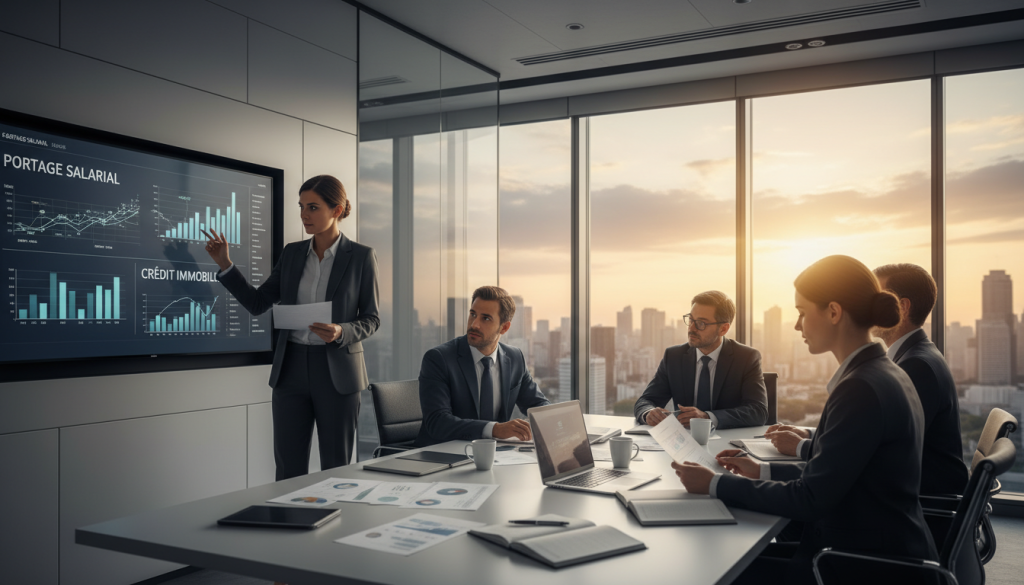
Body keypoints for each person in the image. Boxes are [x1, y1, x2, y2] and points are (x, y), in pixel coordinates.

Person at [673, 255, 937, 585]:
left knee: (708, 571)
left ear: (833, 312)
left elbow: (810, 498)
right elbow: (836, 470)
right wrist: (762, 469)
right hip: (875, 551)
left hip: (856, 566)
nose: (797, 325)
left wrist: (714, 484)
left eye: (801, 312)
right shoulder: (883, 372)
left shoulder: (861, 387)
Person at [202, 175, 379, 481]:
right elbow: (258, 303)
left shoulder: (361, 257)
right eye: (301, 207)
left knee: (337, 468)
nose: (304, 215)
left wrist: (340, 331)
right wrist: (225, 265)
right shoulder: (292, 253)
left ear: (336, 210)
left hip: (337, 370)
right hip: (291, 369)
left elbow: (371, 318)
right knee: (288, 469)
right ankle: (287, 524)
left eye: (313, 207)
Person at [765, 263, 969, 497]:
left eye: (876, 298)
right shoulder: (913, 356)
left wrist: (801, 447)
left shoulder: (915, 366)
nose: (867, 307)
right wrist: (811, 434)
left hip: (924, 500)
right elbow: (872, 434)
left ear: (902, 307)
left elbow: (877, 452)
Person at [414, 285, 549, 447]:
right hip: (442, 456)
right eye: (473, 314)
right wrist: (495, 429)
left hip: (496, 456)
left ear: (504, 328)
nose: (474, 324)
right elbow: (438, 423)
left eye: (485, 318)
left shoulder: (514, 358)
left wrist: (542, 422)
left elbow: (539, 405)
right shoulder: (438, 359)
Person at [633, 291, 767, 429]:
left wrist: (707, 417)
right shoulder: (674, 357)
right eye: (690, 320)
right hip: (684, 444)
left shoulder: (746, 358)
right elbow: (645, 401)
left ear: (723, 329)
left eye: (701, 323)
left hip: (728, 443)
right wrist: (648, 413)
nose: (691, 328)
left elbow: (758, 411)